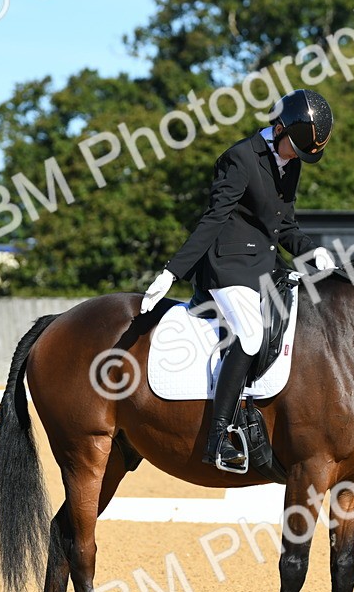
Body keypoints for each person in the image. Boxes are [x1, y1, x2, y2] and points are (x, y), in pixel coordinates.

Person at [139, 88, 338, 469]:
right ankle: (218, 437)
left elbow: (284, 226)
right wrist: (172, 271)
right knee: (250, 335)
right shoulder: (240, 158)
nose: (297, 157)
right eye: (295, 148)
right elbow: (213, 220)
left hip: (266, 265)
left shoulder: (291, 162)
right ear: (278, 129)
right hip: (227, 265)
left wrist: (313, 251)